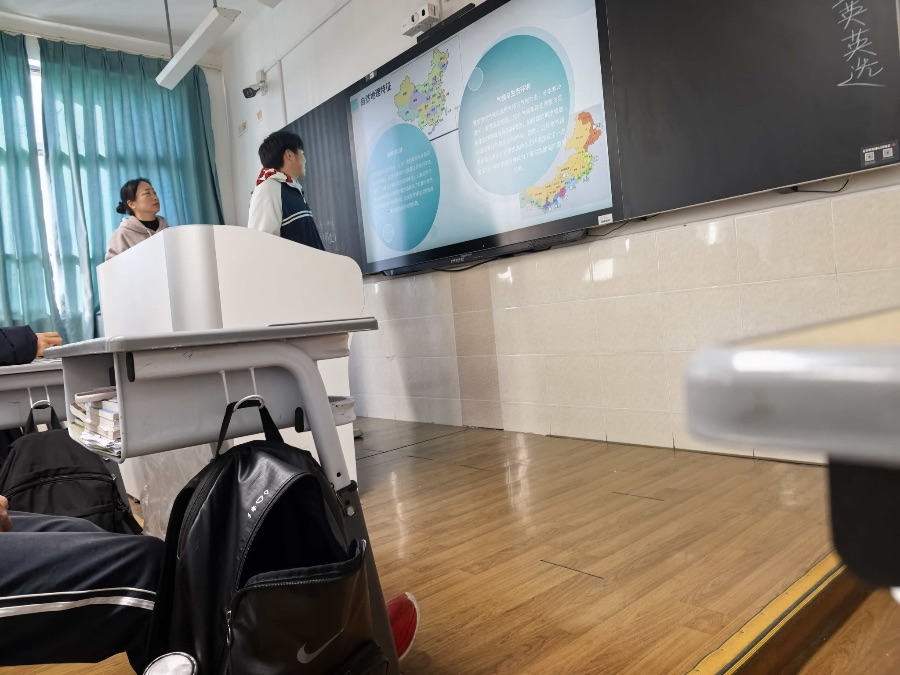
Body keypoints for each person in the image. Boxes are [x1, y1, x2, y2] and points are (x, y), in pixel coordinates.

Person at [248, 130, 325, 250]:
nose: (305, 160)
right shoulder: (268, 189)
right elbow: (261, 247)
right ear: (289, 155)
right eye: (302, 153)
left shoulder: (290, 188)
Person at [106, 178, 169, 261]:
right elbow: (111, 268)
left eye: (154, 193)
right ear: (132, 204)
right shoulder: (121, 236)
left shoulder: (169, 230)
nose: (155, 197)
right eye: (147, 193)